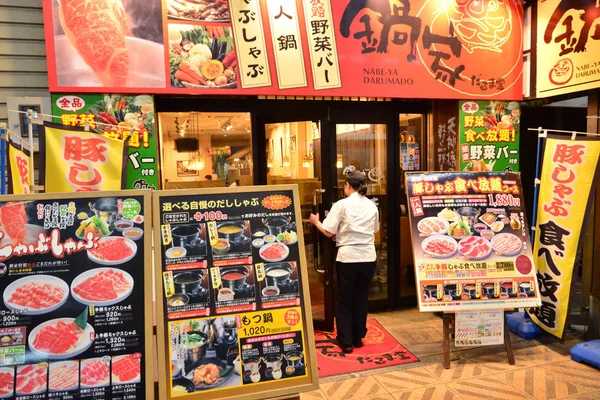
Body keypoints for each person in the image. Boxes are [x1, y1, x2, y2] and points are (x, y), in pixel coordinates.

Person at [309, 166, 379, 353]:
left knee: (345, 299)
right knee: (361, 298)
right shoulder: (371, 205)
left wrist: (316, 222)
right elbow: (375, 229)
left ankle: (345, 340)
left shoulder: (341, 205)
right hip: (368, 256)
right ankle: (358, 337)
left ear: (347, 186)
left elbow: (328, 231)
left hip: (348, 257)